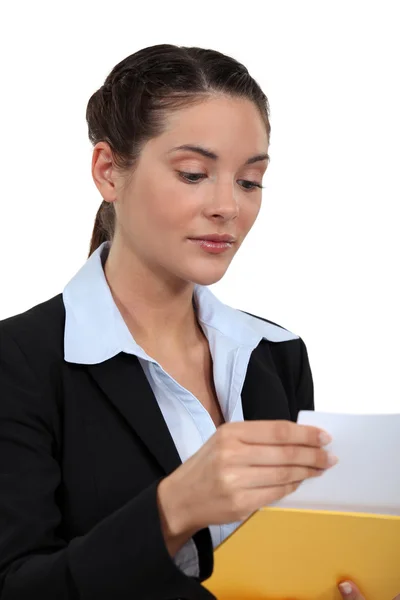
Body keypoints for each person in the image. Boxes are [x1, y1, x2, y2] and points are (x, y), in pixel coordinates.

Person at [0, 43, 391, 600]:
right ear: (109, 171)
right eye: (193, 173)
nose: (228, 206)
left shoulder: (275, 352)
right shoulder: (20, 363)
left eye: (250, 181)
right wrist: (173, 508)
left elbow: (286, 559)